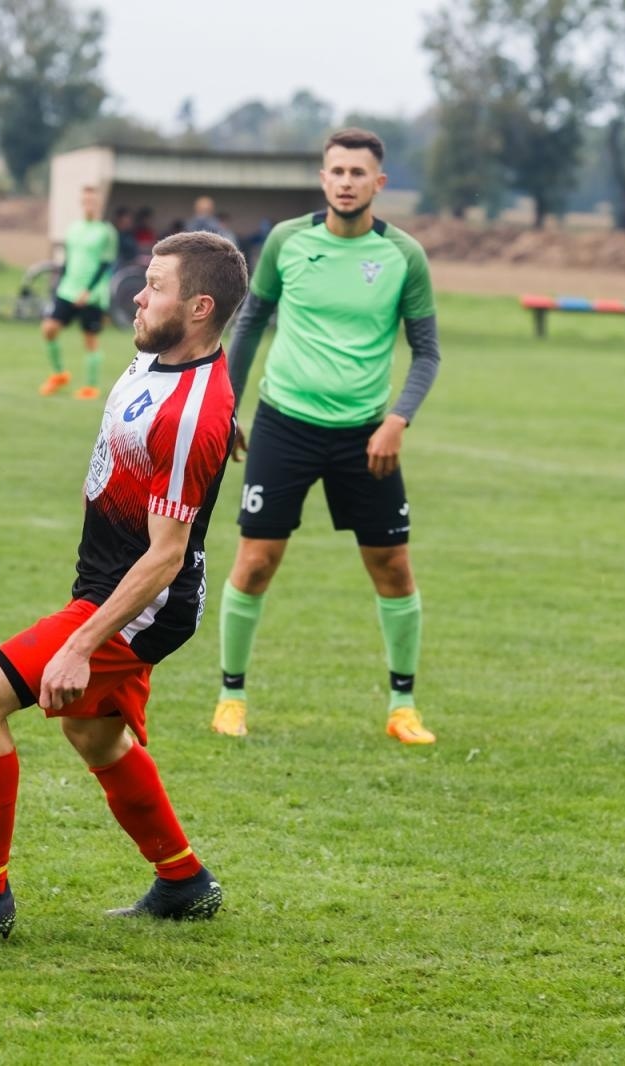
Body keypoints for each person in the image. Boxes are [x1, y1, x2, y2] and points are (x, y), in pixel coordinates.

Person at [0, 232, 248, 943]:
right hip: (108, 581)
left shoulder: (190, 414)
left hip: (140, 600)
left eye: (155, 286)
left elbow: (166, 557)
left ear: (200, 307)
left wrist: (83, 643)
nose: (137, 296)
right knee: (94, 732)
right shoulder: (166, 350)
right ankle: (183, 879)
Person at [210, 127, 443, 745]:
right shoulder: (288, 242)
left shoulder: (403, 257)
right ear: (323, 178)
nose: (346, 182)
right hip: (284, 425)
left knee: (393, 566)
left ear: (378, 184)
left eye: (358, 173)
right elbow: (251, 323)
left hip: (366, 435)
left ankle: (403, 708)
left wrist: (398, 420)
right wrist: (227, 406)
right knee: (256, 562)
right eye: (336, 171)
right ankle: (230, 696)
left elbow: (426, 354)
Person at [40, 185, 119, 401]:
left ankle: (91, 387)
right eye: (85, 200)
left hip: (92, 295)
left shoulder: (107, 232)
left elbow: (106, 265)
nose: (89, 204)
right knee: (49, 329)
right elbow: (68, 260)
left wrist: (88, 290)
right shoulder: (74, 228)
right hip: (68, 290)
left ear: (99, 203)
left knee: (90, 339)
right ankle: (59, 375)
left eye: (92, 200)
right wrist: (59, 284)